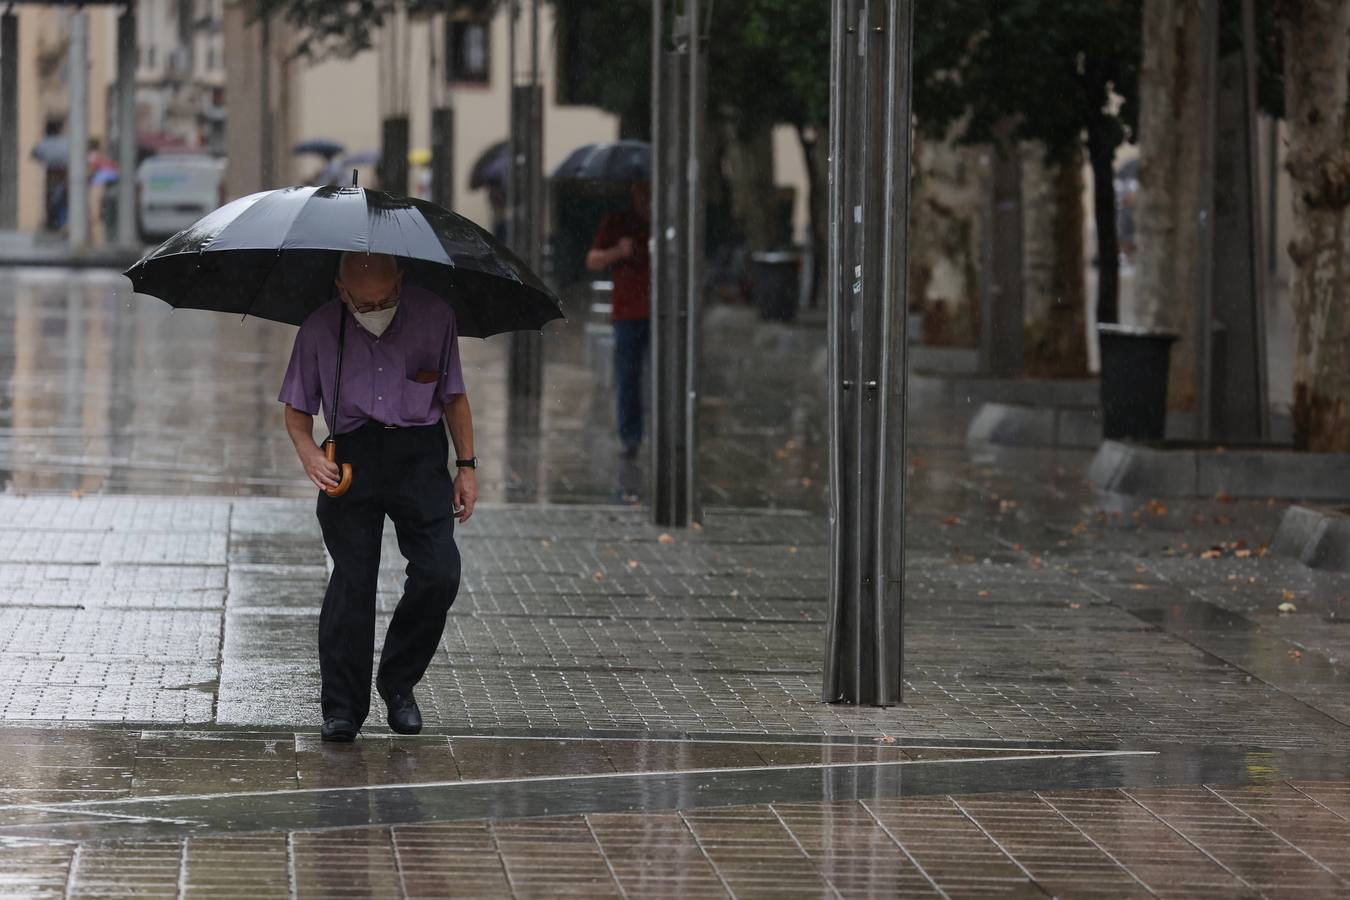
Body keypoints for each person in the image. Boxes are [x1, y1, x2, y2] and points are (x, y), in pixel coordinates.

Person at [278, 252, 478, 742]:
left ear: (401, 281)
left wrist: (466, 467)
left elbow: (453, 396)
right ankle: (342, 707)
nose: (374, 309)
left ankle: (398, 682)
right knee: (353, 580)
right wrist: (308, 454)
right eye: (361, 303)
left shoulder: (436, 316)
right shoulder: (321, 328)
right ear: (342, 290)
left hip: (418, 455)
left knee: (439, 572)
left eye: (385, 299)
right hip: (351, 456)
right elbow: (297, 410)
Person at [586, 182, 651, 459]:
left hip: (659, 312)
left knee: (659, 376)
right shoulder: (619, 222)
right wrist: (619, 252)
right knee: (628, 376)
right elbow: (593, 260)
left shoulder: (667, 223)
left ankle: (659, 433)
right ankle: (631, 436)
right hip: (627, 312)